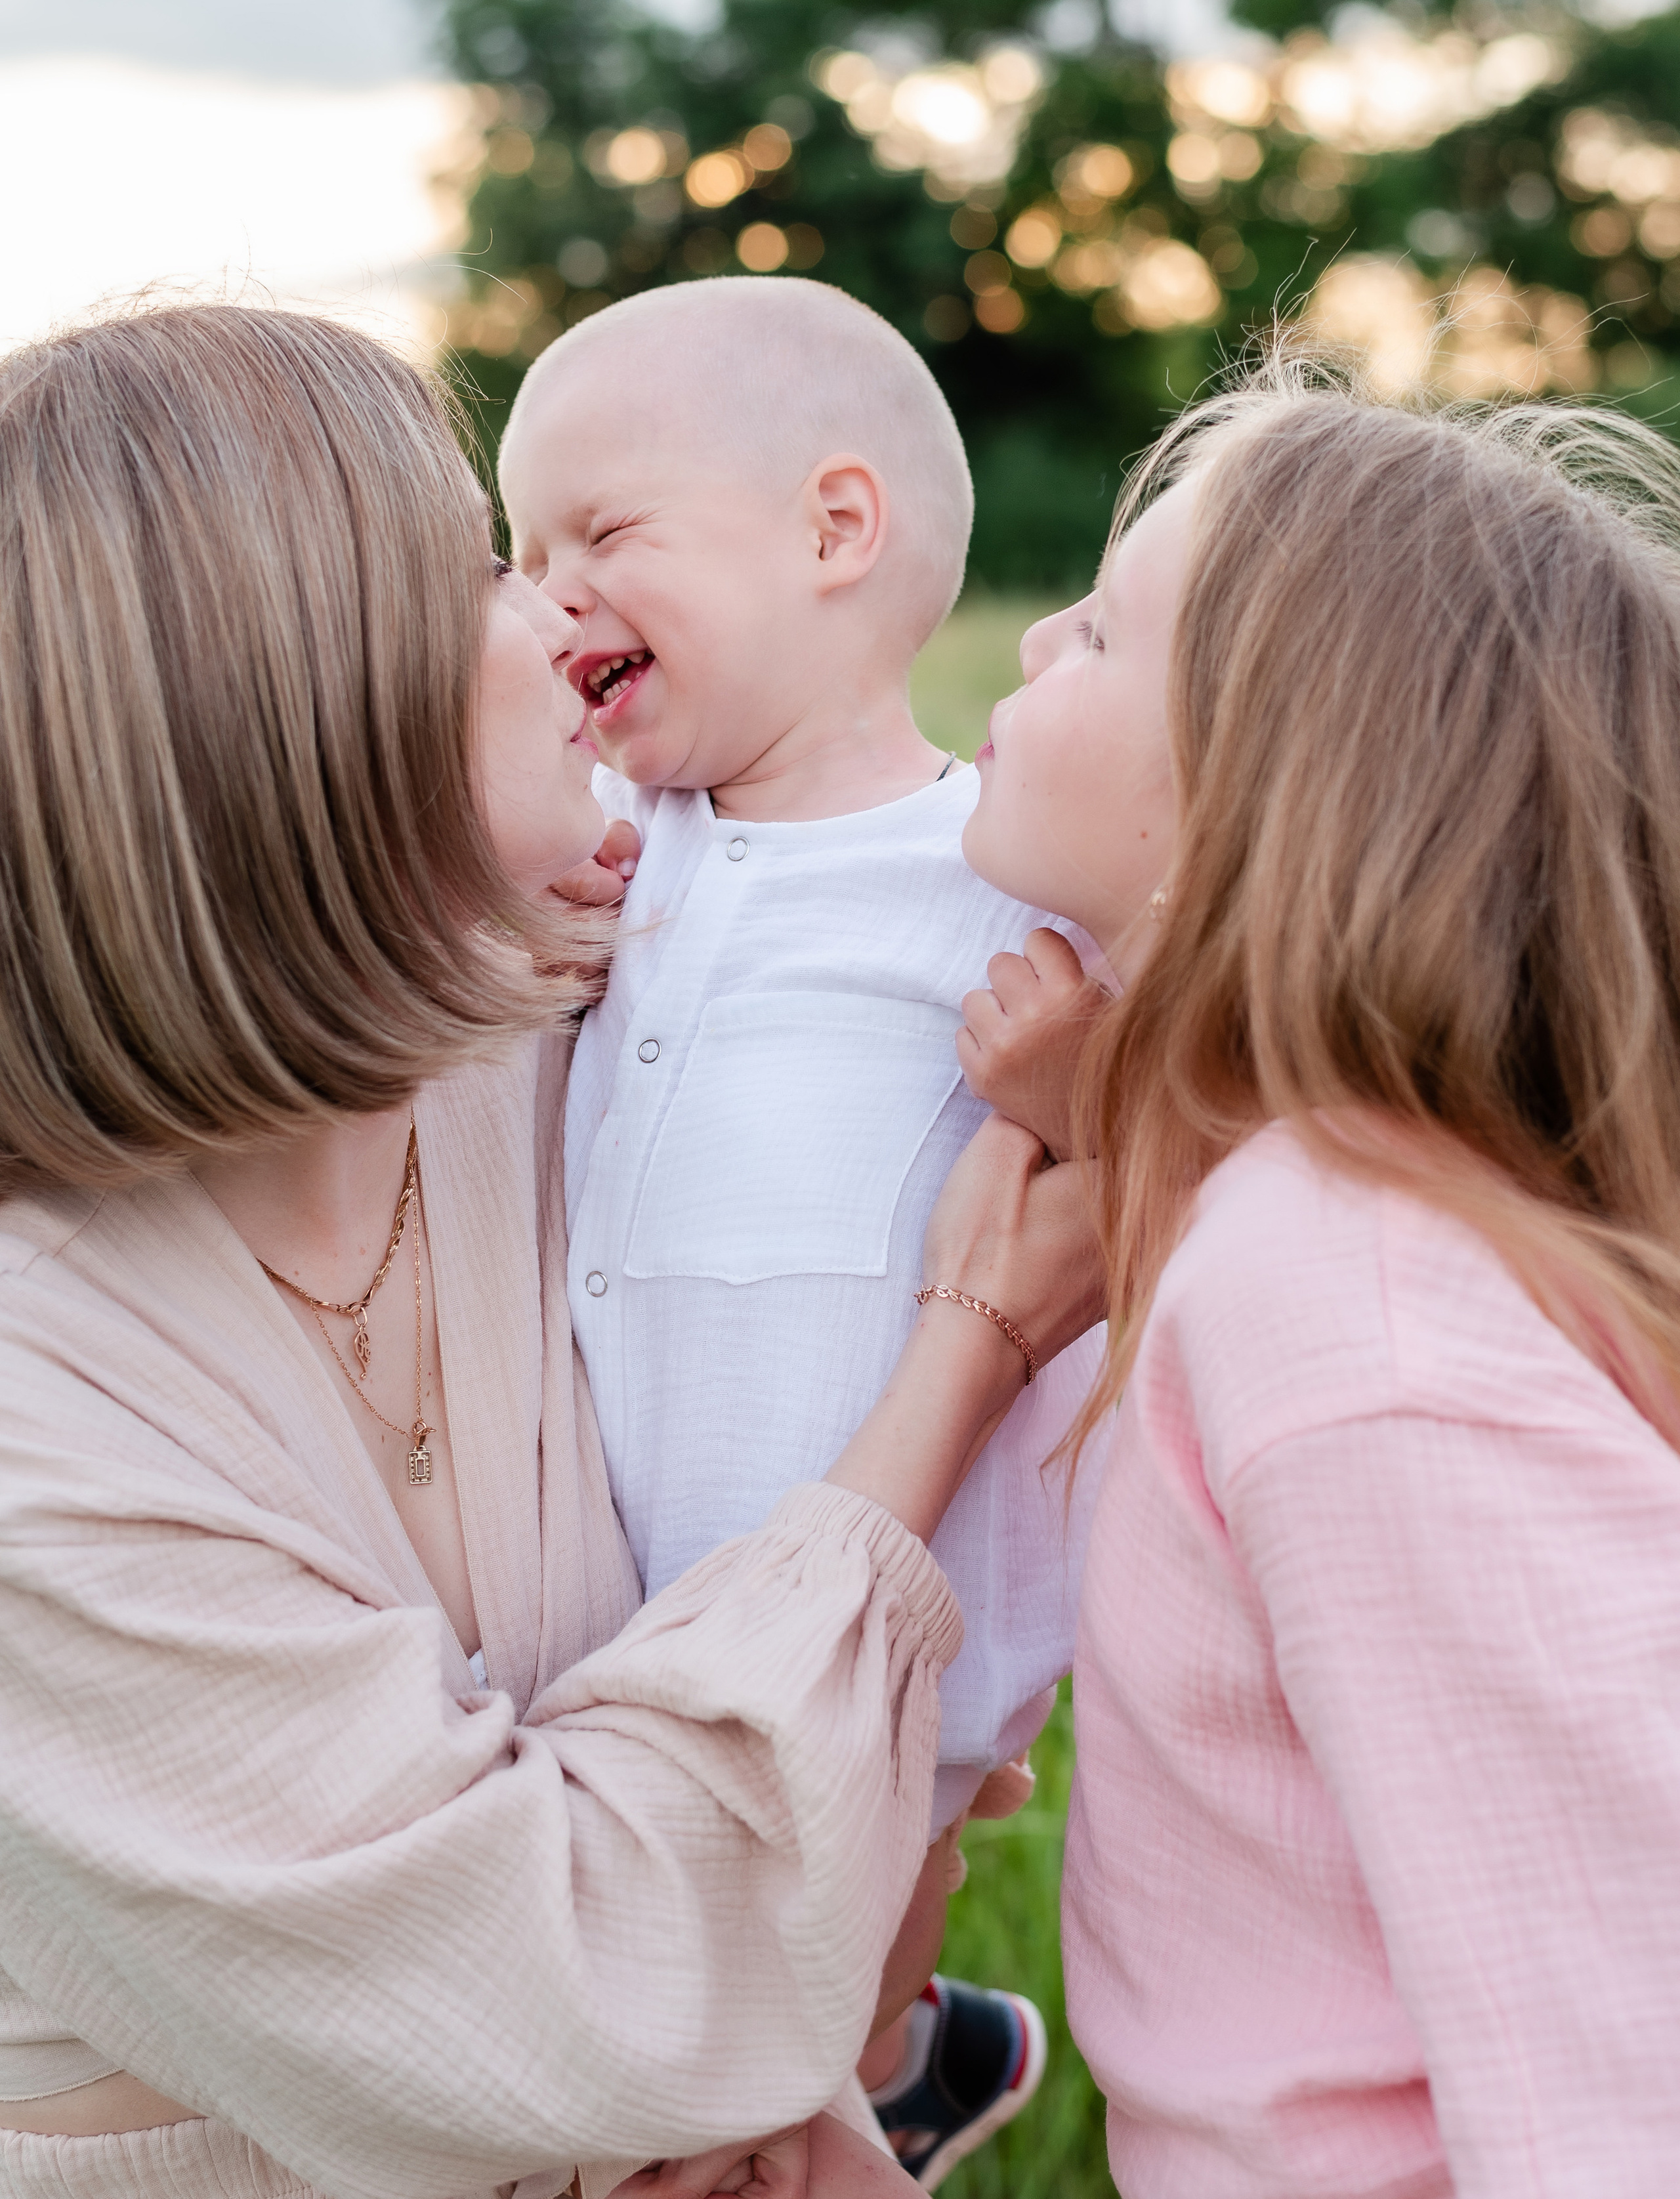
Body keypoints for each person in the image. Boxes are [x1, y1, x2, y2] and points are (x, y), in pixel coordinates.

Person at [0, 303, 1102, 2199]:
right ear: (304, 711)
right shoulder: (46, 1414)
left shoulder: (546, 1049)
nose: (545, 619)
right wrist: (970, 1346)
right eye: (475, 569)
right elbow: (595, 2008)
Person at [956, 357, 1680, 2199]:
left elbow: (1622, 2066)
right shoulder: (1310, 1221)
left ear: (1248, 812)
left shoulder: (1346, 1305)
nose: (1035, 642)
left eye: (1105, 633)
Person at [499, 278, 1108, 2188]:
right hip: (617, 1594)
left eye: (602, 534)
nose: (548, 596)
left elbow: (1158, 1178)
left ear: (833, 533)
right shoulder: (610, 847)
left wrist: (1083, 1091)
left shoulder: (988, 875)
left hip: (892, 1609)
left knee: (800, 2017)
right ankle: (895, 2069)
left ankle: (881, 2076)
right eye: (522, 556)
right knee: (647, 1982)